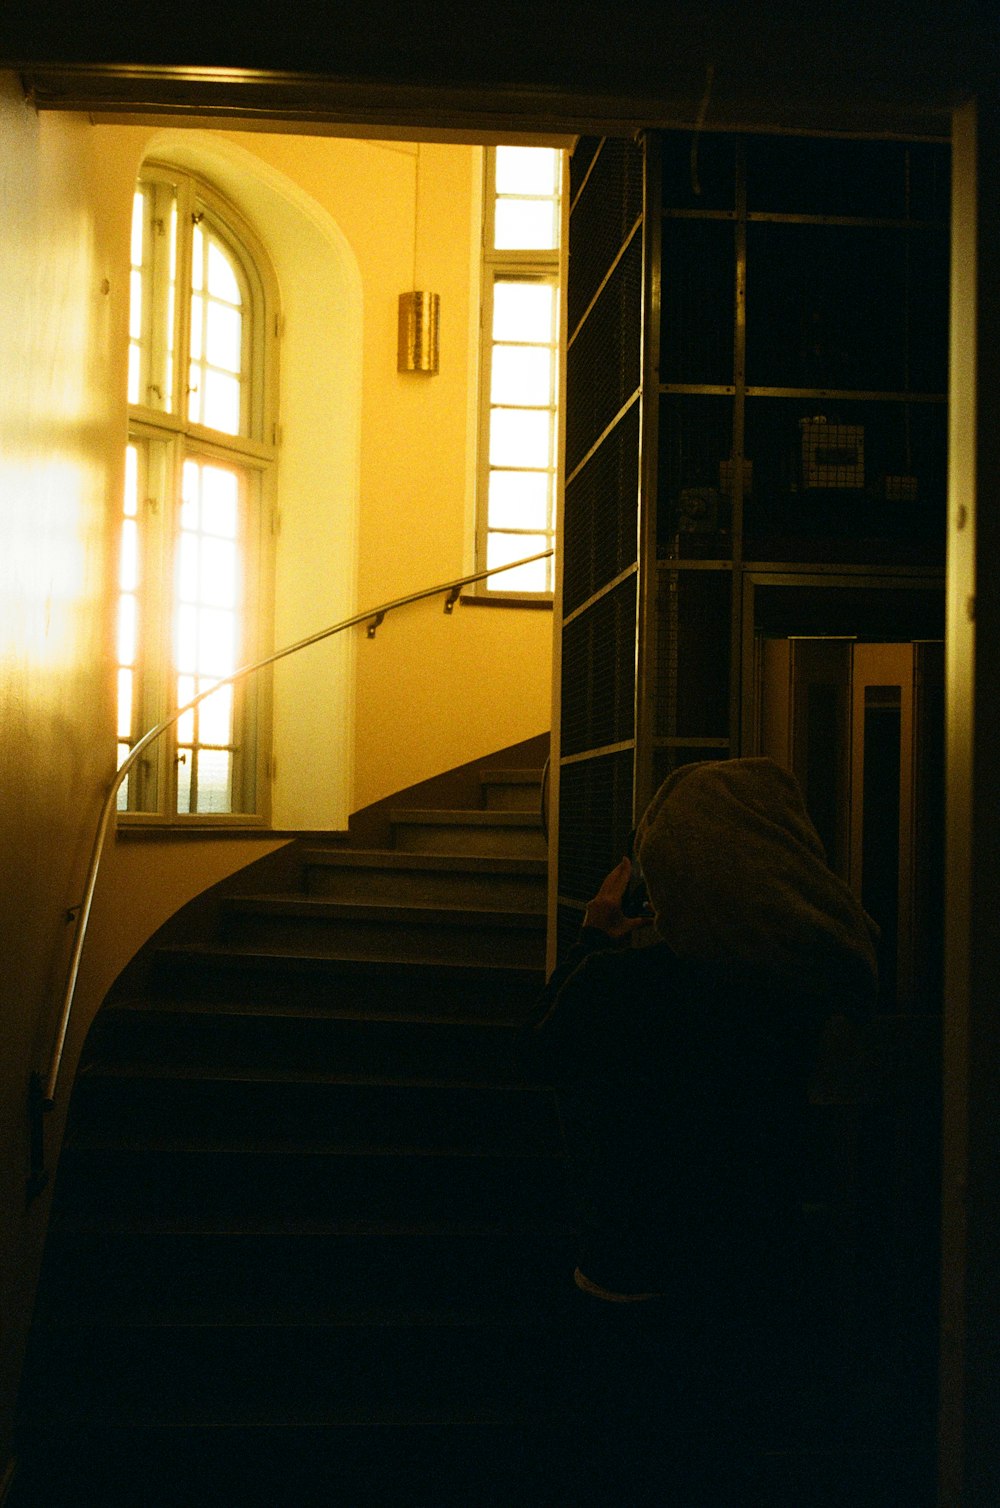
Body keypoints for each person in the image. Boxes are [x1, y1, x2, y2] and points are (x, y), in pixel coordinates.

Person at [517, 757, 880, 1505]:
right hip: (758, 1291)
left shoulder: (626, 987)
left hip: (631, 1290)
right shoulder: (816, 981)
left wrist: (595, 942)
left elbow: (539, 1053)